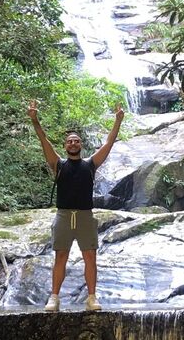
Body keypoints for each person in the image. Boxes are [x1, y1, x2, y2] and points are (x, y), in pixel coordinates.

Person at [28, 99, 124, 312]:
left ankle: (91, 297)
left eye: (76, 141)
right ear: (65, 146)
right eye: (70, 141)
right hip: (63, 215)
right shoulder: (58, 165)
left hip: (85, 217)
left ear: (81, 145)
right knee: (60, 256)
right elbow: (44, 140)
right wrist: (35, 121)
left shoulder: (90, 164)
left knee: (90, 256)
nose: (73, 143)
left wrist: (117, 121)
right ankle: (54, 297)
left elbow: (108, 144)